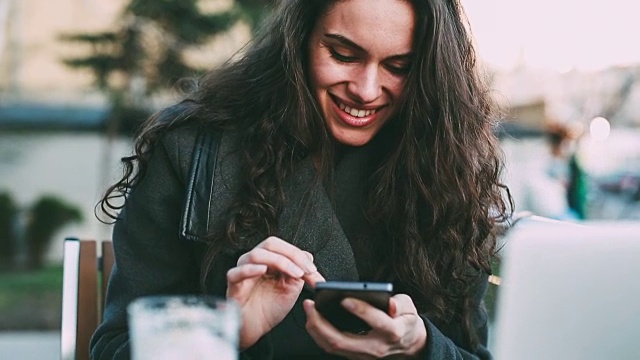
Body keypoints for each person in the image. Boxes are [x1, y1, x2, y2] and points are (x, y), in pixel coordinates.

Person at [90, 0, 512, 359]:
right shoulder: (193, 149)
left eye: (399, 67)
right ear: (299, 42)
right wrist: (228, 334)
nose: (366, 90)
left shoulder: (449, 172)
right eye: (343, 55)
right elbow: (116, 347)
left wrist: (421, 347)